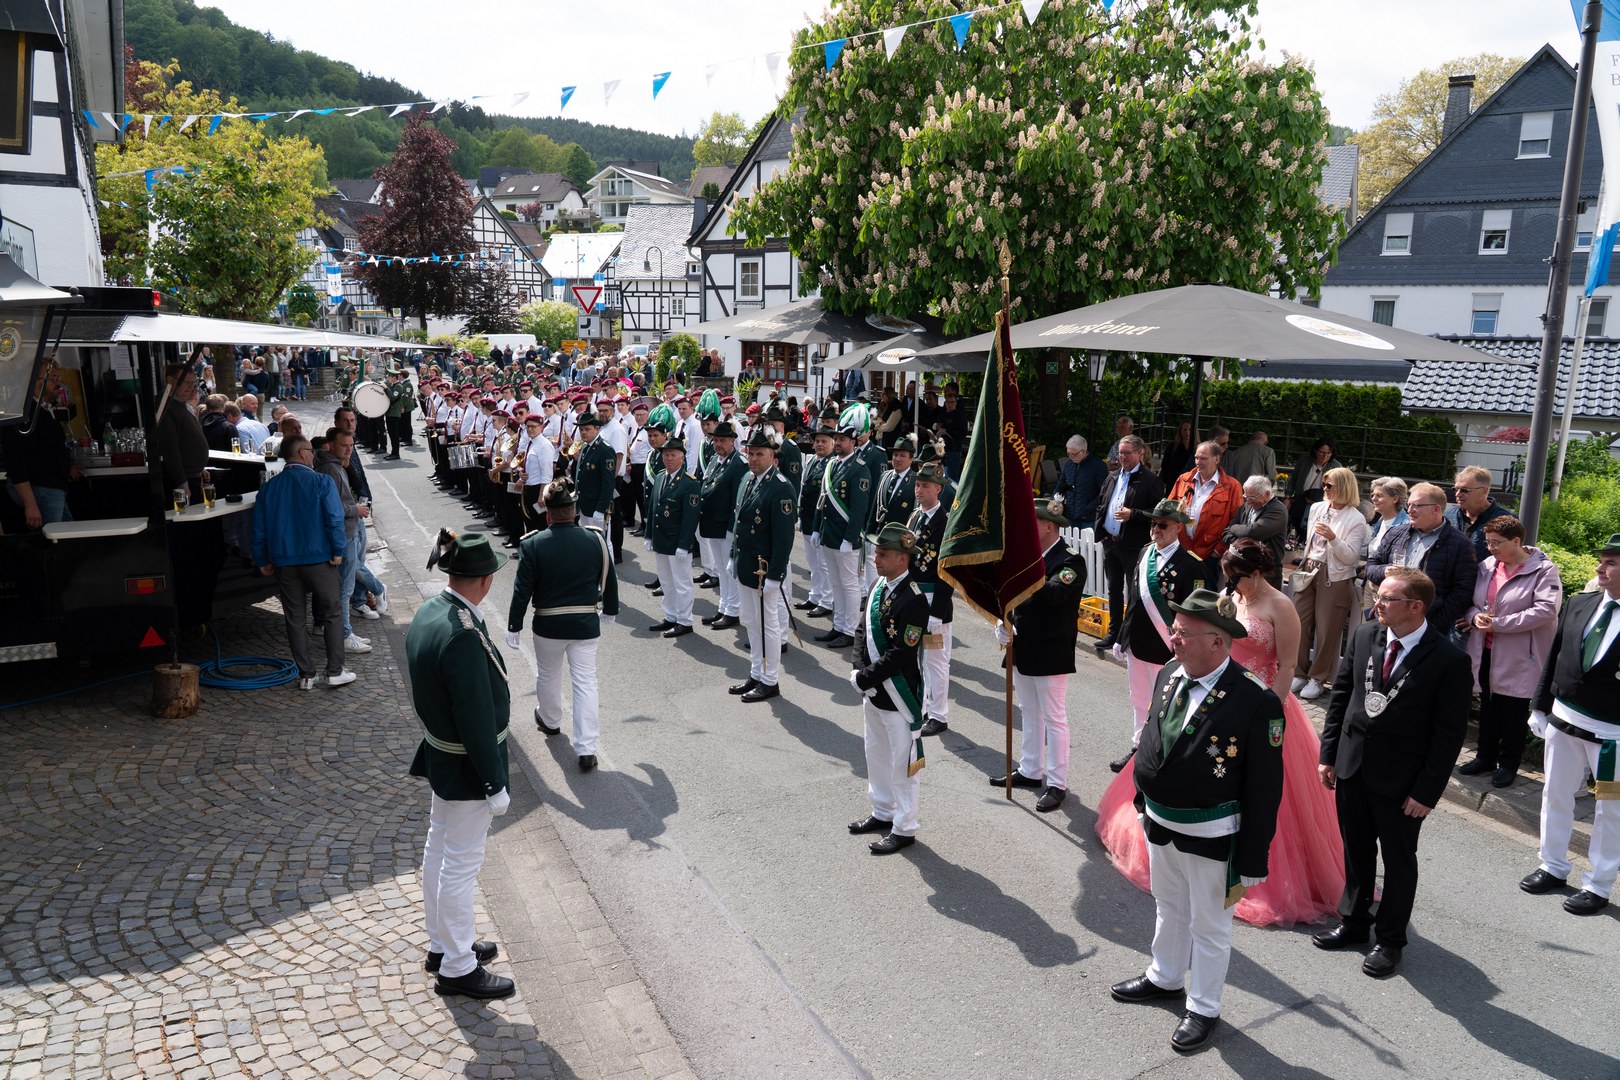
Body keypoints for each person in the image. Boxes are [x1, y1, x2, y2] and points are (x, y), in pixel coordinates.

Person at [1098, 540, 1344, 927]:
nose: (1230, 583)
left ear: (1257, 573)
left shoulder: (1281, 607)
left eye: (1236, 576)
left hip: (1261, 702)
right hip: (1220, 696)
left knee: (1264, 791)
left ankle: (1258, 870)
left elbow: (1286, 666)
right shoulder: (1231, 598)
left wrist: (1270, 711)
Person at [1107, 589, 1284, 1053]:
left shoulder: (1255, 701)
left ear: (1218, 642)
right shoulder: (1171, 672)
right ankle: (1165, 976)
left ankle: (1204, 1006)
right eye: (1175, 629)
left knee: (1209, 926)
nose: (1173, 639)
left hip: (1212, 835)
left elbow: (1265, 788)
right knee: (1169, 906)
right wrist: (1143, 797)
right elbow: (1154, 738)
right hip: (1161, 821)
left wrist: (1253, 856)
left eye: (1184, 633)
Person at [1315, 567, 1471, 978]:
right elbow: (1342, 697)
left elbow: (1448, 736)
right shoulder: (1366, 635)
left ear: (1416, 607)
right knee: (1356, 850)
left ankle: (1389, 940)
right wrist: (1328, 754)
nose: (1378, 604)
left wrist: (1426, 792)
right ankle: (1354, 921)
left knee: (1399, 861)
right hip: (1353, 765)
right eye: (1378, 595)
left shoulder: (1449, 660)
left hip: (1402, 782)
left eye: (1387, 598)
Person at [407, 530, 513, 1000]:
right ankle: (457, 967)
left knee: (439, 848)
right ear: (486, 580)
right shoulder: (464, 635)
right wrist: (494, 781)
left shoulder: (431, 611)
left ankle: (443, 944)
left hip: (442, 754)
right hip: (467, 764)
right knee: (461, 865)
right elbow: (476, 716)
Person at [1522, 533, 1620, 917]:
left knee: (1610, 807)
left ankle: (1598, 884)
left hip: (1612, 736)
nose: (1600, 568)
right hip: (1563, 721)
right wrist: (1539, 706)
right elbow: (1555, 657)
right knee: (1556, 793)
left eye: (1611, 563)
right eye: (1602, 560)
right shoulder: (1580, 603)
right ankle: (1552, 865)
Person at [505, 480, 620, 772]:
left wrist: (514, 624)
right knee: (585, 683)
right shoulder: (595, 539)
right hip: (584, 624)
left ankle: (551, 720)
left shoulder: (532, 544)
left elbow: (522, 590)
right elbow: (609, 577)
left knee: (548, 674)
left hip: (548, 624)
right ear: (575, 511)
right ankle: (586, 749)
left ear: (548, 514)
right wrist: (610, 610)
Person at [990, 497, 1087, 812]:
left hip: (1050, 650)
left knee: (1053, 718)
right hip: (1022, 645)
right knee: (1028, 711)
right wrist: (1003, 622)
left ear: (1049, 526)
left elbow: (1054, 595)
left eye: (1032, 522)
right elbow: (1010, 595)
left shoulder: (1071, 561)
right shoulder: (1028, 558)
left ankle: (1057, 783)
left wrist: (1027, 568)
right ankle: (1031, 769)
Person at [846, 522, 931, 856]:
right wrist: (858, 669)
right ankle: (882, 810)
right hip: (872, 690)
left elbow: (901, 652)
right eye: (876, 553)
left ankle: (905, 826)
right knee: (875, 753)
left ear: (902, 558)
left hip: (898, 695)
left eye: (883, 554)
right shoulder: (877, 586)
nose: (876, 559)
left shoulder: (914, 600)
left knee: (902, 765)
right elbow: (860, 631)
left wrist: (864, 678)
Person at [1459, 515, 1561, 789]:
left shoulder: (1543, 570)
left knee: (1513, 711)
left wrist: (1499, 624)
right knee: (1488, 706)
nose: (1490, 548)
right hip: (1485, 648)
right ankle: (1485, 757)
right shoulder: (1487, 566)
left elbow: (1545, 610)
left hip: (1520, 654)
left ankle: (1508, 764)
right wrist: (1474, 617)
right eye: (1488, 542)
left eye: (1496, 543)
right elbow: (1472, 602)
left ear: (1516, 541)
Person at [250, 435, 353, 690]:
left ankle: (307, 674)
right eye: (311, 450)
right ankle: (335, 671)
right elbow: (334, 518)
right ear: (303, 453)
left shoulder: (269, 489)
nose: (314, 455)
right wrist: (338, 549)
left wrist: (262, 558)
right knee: (332, 612)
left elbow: (258, 529)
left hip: (285, 561)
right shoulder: (321, 481)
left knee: (295, 618)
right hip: (319, 559)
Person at [1110, 499, 1206, 773]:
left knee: (1165, 704)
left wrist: (1185, 647)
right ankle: (1138, 748)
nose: (1156, 529)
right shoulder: (1145, 553)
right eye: (1153, 523)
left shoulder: (1191, 565)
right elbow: (1134, 599)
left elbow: (1194, 614)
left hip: (1166, 648)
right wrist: (1121, 636)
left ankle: (1162, 752)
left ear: (1178, 528)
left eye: (1163, 525)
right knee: (1139, 700)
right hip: (1137, 643)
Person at [728, 429, 798, 701]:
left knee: (768, 625)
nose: (754, 458)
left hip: (763, 570)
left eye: (759, 454)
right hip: (746, 565)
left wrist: (775, 576)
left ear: (772, 456)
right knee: (751, 623)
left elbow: (784, 538)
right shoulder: (748, 479)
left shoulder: (781, 487)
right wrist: (733, 556)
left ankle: (770, 680)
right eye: (751, 453)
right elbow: (739, 523)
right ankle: (756, 672)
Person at [1290, 467, 1369, 701]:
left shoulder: (1356, 518)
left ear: (1343, 487)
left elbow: (1351, 558)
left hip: (1335, 575)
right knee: (1299, 623)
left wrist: (1333, 538)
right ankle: (1299, 672)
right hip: (1310, 568)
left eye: (1329, 485)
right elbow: (1310, 543)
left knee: (1327, 631)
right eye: (1324, 484)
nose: (1324, 488)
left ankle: (1317, 678)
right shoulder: (1317, 507)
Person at [1364, 482, 1478, 634]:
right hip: (1388, 623)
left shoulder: (1460, 544)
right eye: (1409, 505)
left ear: (1436, 509)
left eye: (1416, 505)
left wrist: (1432, 623)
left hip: (1428, 628)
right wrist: (1384, 571)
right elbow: (1371, 566)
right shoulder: (1396, 534)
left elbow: (1463, 592)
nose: (1410, 510)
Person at [1094, 435, 1165, 651]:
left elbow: (1158, 513)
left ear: (1139, 453)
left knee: (1134, 593)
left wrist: (1133, 514)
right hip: (1111, 543)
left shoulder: (1150, 480)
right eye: (1120, 453)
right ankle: (1114, 633)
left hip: (1133, 546)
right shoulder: (1113, 476)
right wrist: (1101, 532)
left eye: (1127, 453)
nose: (1122, 457)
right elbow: (1101, 504)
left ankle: (1129, 636)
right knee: (1113, 590)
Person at [814, 410, 872, 649]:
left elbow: (859, 510)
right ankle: (837, 626)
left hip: (845, 539)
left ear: (853, 442)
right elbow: (822, 501)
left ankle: (849, 630)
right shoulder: (832, 465)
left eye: (842, 439)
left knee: (849, 585)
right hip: (829, 535)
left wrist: (850, 539)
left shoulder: (859, 469)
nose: (837, 442)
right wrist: (817, 529)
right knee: (835, 583)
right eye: (836, 438)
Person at [315, 427, 374, 656]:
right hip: (343, 533)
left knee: (344, 588)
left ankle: (344, 631)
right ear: (331, 445)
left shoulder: (335, 465)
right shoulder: (331, 468)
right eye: (344, 445)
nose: (349, 450)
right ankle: (344, 635)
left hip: (345, 532)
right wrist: (355, 509)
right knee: (344, 589)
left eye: (351, 445)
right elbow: (331, 507)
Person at [2, 364, 82, 529]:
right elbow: (16, 462)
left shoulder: (44, 410)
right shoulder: (24, 415)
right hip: (41, 488)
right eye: (53, 378)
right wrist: (30, 504)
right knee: (53, 537)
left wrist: (66, 466)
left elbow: (48, 448)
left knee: (68, 535)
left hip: (52, 487)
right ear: (36, 383)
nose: (59, 383)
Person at [910, 463, 957, 737]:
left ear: (938, 489)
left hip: (934, 602)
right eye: (917, 485)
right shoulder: (915, 516)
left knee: (936, 660)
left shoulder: (946, 523)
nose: (919, 490)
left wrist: (937, 612)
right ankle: (925, 706)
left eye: (925, 486)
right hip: (915, 598)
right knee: (917, 658)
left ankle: (939, 715)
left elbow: (947, 571)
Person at [645, 436, 701, 638]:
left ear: (682, 457)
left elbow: (690, 518)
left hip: (677, 541)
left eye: (673, 455)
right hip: (661, 539)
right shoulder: (661, 476)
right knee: (666, 582)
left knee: (682, 584)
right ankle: (670, 616)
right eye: (666, 455)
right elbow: (653, 507)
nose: (668, 458)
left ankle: (684, 621)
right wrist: (649, 535)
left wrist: (684, 544)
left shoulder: (689, 483)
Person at [1167, 439, 1244, 581]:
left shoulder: (1232, 486)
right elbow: (1169, 511)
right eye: (1196, 458)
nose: (1198, 462)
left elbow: (1236, 522)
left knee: (1203, 594)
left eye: (1203, 458)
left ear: (1217, 459)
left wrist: (1218, 550)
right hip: (1180, 550)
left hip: (1209, 556)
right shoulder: (1184, 480)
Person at [696, 420, 747, 629]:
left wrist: (732, 529)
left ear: (732, 441)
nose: (718, 444)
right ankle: (723, 607)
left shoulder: (739, 463)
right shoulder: (714, 460)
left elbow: (738, 499)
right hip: (712, 524)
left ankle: (732, 611)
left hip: (727, 526)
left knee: (729, 570)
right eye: (716, 440)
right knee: (720, 568)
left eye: (723, 441)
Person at [1221, 476, 1287, 589]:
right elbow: (1226, 533)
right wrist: (1242, 545)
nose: (1248, 501)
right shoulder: (1246, 507)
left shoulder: (1278, 510)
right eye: (1246, 496)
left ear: (1267, 494)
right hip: (1241, 568)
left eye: (1252, 497)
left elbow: (1253, 532)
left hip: (1265, 573)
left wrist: (1234, 528)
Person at [1362, 476, 1410, 608]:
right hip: (1371, 585)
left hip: (1391, 590)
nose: (1374, 499)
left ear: (1395, 499)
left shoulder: (1407, 525)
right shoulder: (1380, 521)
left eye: (1379, 495)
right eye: (1372, 495)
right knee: (1367, 621)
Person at [1445, 465, 1511, 560]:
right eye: (1456, 489)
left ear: (1484, 491)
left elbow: (1511, 557)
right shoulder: (1447, 515)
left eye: (1465, 490)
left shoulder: (1506, 520)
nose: (1457, 494)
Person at [1285, 438, 1340, 538]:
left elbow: (1338, 489)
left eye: (1328, 453)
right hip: (1300, 501)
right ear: (1315, 450)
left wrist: (1318, 501)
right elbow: (1293, 479)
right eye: (1322, 452)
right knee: (1296, 529)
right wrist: (1287, 497)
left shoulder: (1336, 466)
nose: (1325, 456)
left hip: (1321, 505)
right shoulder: (1304, 461)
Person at [1055, 435, 1108, 530]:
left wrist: (1088, 508)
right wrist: (1055, 500)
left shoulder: (1098, 466)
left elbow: (1104, 493)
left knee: (1087, 540)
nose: (1071, 457)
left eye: (1073, 454)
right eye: (1069, 454)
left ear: (1083, 451)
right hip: (1070, 516)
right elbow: (1060, 485)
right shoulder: (1068, 465)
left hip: (1089, 518)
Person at [384, 366, 414, 460]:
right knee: (391, 434)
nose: (388, 378)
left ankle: (396, 453)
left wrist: (386, 388)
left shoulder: (398, 386)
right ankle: (393, 452)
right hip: (389, 412)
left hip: (394, 413)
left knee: (394, 434)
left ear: (394, 377)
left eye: (390, 376)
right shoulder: (392, 385)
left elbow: (393, 397)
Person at [1157, 419, 1193, 485]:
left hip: (1190, 483)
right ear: (1180, 431)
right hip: (1173, 482)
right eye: (1185, 430)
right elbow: (1165, 465)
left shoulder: (1197, 448)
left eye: (1190, 430)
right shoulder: (1172, 446)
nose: (1187, 432)